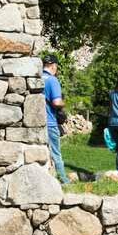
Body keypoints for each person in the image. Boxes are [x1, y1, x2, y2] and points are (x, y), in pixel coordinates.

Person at [42, 54, 69, 184]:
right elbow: (57, 102)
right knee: (56, 153)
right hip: (50, 122)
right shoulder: (52, 80)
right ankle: (64, 180)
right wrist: (64, 104)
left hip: (37, 123)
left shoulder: (38, 78)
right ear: (54, 66)